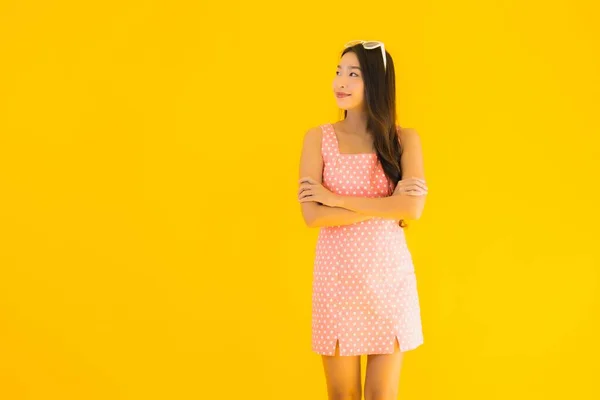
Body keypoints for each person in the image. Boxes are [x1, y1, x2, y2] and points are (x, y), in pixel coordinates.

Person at [297, 40, 429, 400]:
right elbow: (313, 216)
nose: (340, 81)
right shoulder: (318, 138)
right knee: (342, 395)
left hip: (389, 281)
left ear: (376, 82)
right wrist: (387, 203)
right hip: (336, 282)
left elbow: (412, 209)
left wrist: (337, 200)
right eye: (339, 72)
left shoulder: (404, 140)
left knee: (381, 397)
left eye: (353, 74)